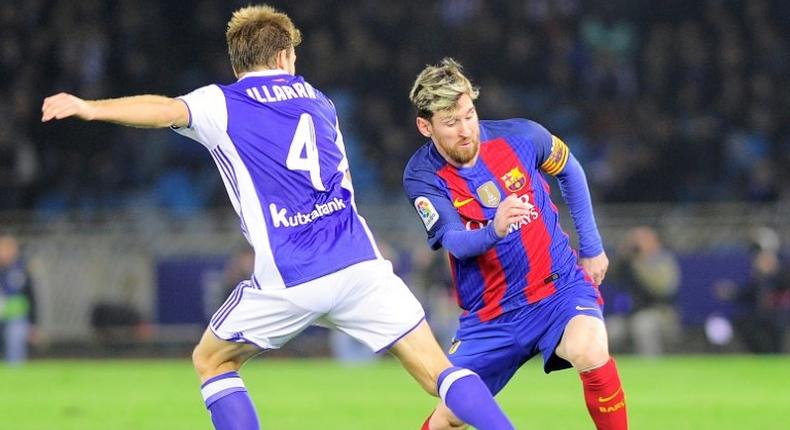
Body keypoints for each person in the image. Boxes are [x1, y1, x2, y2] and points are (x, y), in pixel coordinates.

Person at [40, 6, 514, 430]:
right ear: (287, 56)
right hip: (359, 265)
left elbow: (163, 110)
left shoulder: (221, 103)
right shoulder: (320, 101)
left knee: (212, 360)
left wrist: (90, 107)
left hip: (292, 274)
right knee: (440, 374)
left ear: (237, 62)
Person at [403, 58, 628, 430]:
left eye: (469, 115)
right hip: (491, 314)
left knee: (590, 347)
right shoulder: (422, 175)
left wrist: (591, 246)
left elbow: (570, 169)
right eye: (451, 122)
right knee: (451, 414)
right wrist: (495, 228)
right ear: (425, 126)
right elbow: (455, 242)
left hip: (557, 290)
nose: (465, 130)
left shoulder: (522, 136)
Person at [609, 226, 681, 356]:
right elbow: (610, 276)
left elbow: (662, 288)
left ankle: (651, 368)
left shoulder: (663, 260)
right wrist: (622, 255)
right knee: (610, 328)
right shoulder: (627, 262)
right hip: (629, 313)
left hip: (659, 311)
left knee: (643, 325)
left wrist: (641, 262)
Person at [0, 233, 37, 365]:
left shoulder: (22, 269)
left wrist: (33, 324)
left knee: (15, 347)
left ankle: (14, 374)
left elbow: (32, 297)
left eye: (9, 248)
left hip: (16, 317)